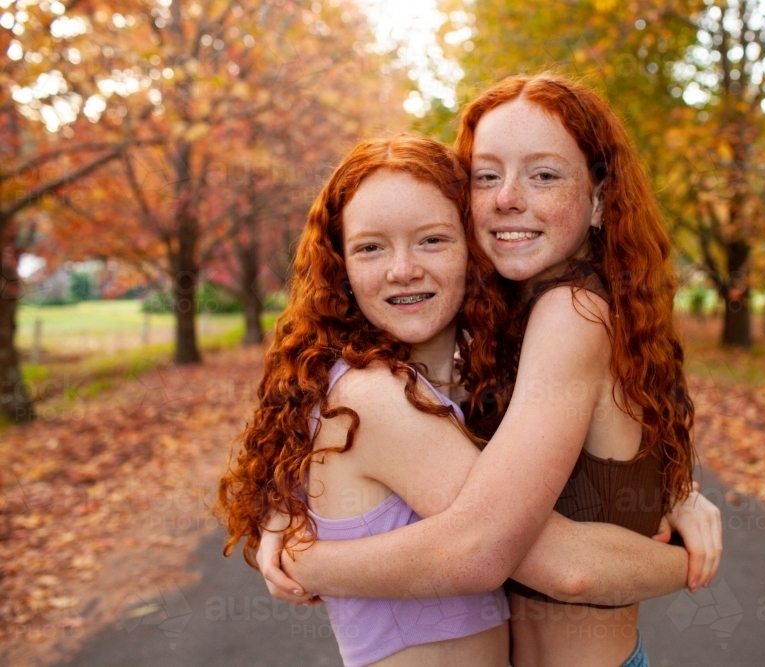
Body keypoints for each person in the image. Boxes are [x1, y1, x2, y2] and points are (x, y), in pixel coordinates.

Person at [255, 75, 723, 667]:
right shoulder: (502, 330)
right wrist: (287, 502)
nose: (507, 198)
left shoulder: (569, 310)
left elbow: (518, 555)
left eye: (545, 175)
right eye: (486, 175)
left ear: (602, 198)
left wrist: (311, 559)